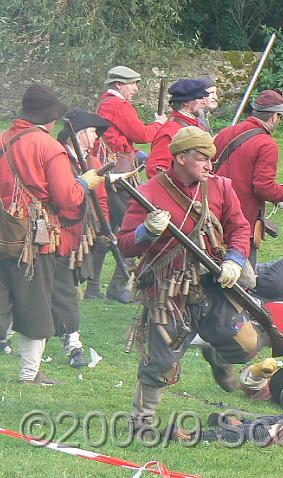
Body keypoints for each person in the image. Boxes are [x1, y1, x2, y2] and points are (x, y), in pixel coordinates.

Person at [117, 126, 258, 432]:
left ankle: (217, 355)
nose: (210, 165)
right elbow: (126, 242)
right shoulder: (148, 193)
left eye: (212, 159)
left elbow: (239, 228)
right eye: (202, 158)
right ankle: (141, 424)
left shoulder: (220, 186)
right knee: (161, 362)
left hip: (213, 284)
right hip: (169, 291)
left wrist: (234, 259)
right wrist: (147, 232)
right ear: (180, 158)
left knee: (246, 346)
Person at [0, 83, 104, 385]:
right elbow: (67, 198)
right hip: (34, 239)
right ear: (49, 117)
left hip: (3, 231)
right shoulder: (50, 147)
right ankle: (29, 374)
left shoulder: (3, 138)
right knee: (36, 306)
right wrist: (85, 183)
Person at [93, 65, 167, 303]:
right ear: (118, 85)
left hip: (111, 169)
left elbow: (120, 139)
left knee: (109, 229)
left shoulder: (107, 103)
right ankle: (118, 285)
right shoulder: (118, 105)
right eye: (132, 84)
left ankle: (95, 287)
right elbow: (143, 135)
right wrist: (159, 124)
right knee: (131, 227)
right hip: (119, 174)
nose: (135, 88)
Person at [54, 108, 112, 367]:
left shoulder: (92, 163)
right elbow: (63, 198)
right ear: (76, 134)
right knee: (63, 289)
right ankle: (74, 342)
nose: (96, 138)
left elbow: (100, 200)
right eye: (91, 132)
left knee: (66, 286)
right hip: (57, 233)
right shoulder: (58, 159)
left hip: (80, 235)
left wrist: (104, 226)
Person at [214, 89, 283, 266]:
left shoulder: (225, 133)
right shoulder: (266, 143)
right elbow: (263, 186)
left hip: (215, 212)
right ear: (275, 116)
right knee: (242, 278)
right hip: (242, 219)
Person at [146, 78, 210, 179]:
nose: (204, 102)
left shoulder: (198, 126)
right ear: (185, 102)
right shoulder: (170, 132)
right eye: (200, 98)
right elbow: (156, 170)